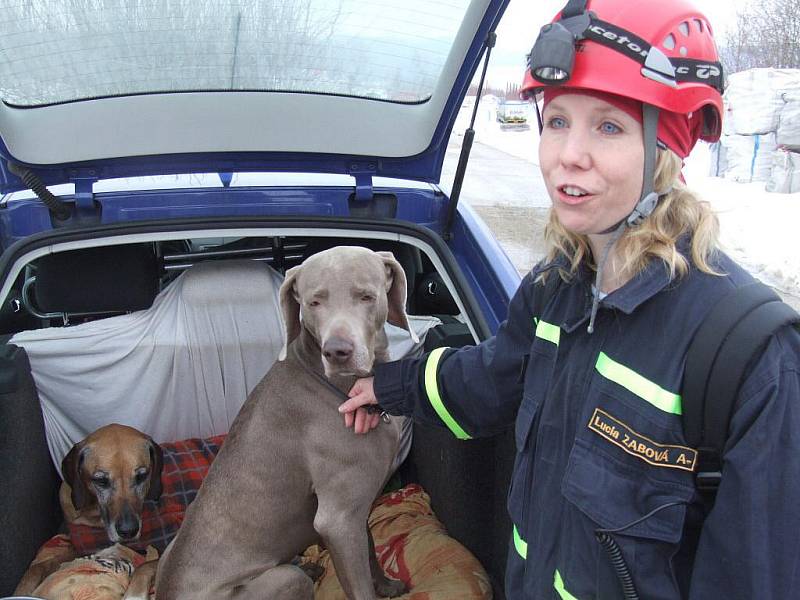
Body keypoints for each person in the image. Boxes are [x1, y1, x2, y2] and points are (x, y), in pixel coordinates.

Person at [338, 0, 800, 598]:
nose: (567, 155)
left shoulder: (751, 355)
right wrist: (390, 384)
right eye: (557, 121)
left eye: (608, 126)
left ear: (667, 148)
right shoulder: (557, 288)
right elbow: (489, 379)